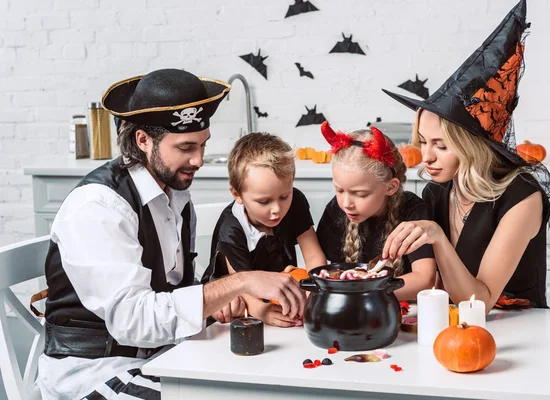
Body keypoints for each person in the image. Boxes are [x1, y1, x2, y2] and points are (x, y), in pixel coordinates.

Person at [37, 68, 306, 400]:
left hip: (162, 356)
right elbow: (133, 320)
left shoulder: (175, 196)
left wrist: (217, 301)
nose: (199, 159)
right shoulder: (99, 206)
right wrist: (239, 282)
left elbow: (167, 292)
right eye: (185, 147)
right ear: (143, 140)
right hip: (95, 372)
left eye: (203, 145)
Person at [381, 0, 550, 312]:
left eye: (441, 145)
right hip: (450, 326)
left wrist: (436, 237)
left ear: (470, 146)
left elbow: (480, 302)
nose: (427, 157)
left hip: (519, 330)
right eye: (423, 142)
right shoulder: (437, 191)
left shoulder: (522, 197)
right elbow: (434, 286)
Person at [207, 132, 327, 327]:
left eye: (284, 196)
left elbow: (314, 257)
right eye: (264, 201)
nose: (276, 210)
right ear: (237, 194)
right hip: (237, 308)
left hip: (282, 296)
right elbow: (241, 284)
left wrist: (313, 292)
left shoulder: (295, 202)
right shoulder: (231, 228)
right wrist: (262, 311)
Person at [316, 122, 436, 300]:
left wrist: (363, 293)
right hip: (354, 308)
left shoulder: (414, 212)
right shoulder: (336, 209)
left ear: (391, 187)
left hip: (403, 309)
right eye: (339, 190)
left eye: (360, 194)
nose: (346, 203)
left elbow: (425, 279)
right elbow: (335, 271)